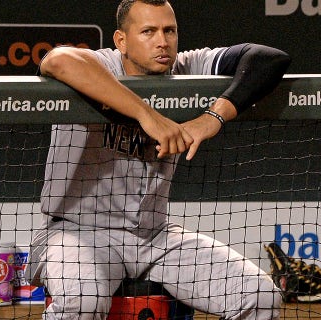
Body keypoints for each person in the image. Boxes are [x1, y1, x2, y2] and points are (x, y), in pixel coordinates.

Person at [27, 0, 291, 319]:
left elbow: (269, 59)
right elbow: (58, 60)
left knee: (260, 296)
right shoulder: (103, 66)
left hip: (154, 236)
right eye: (148, 31)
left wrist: (212, 118)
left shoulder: (186, 67)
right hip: (77, 232)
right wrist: (147, 115)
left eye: (170, 31)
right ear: (121, 40)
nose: (162, 41)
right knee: (82, 301)